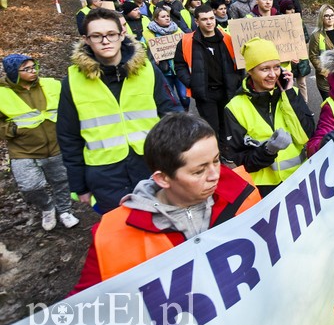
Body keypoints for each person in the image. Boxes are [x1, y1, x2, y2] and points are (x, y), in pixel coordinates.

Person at [70, 113, 260, 293]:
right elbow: (83, 310)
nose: (215, 175)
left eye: (216, 160)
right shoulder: (111, 238)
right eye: (198, 171)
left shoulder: (243, 192)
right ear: (162, 179)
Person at [57, 8, 182, 214]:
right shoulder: (72, 82)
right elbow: (69, 137)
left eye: (111, 34)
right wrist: (79, 186)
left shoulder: (147, 70)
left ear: (122, 34)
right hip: (105, 175)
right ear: (86, 39)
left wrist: (179, 160)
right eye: (97, 36)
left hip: (152, 165)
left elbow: (172, 115)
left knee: (165, 223)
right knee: (124, 233)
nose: (105, 41)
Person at [224, 38, 315, 197]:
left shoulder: (289, 94)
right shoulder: (235, 107)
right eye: (265, 69)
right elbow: (237, 160)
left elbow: (306, 135)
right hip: (264, 190)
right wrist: (268, 151)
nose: (273, 75)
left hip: (298, 178)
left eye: (277, 67)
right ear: (250, 71)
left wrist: (289, 94)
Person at [0, 54, 79, 230]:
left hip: (56, 145)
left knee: (61, 181)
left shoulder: (51, 84)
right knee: (29, 187)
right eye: (26, 69)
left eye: (34, 67)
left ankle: (65, 210)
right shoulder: (2, 94)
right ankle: (47, 207)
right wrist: (12, 130)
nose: (33, 71)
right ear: (14, 73)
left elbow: (69, 106)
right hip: (23, 150)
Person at [174, 4, 240, 145]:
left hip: (226, 90)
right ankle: (215, 154)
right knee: (211, 128)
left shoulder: (227, 38)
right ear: (197, 22)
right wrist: (191, 82)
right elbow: (179, 65)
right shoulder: (187, 41)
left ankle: (226, 152)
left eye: (211, 18)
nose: (209, 22)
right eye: (204, 19)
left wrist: (237, 80)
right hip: (204, 93)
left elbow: (239, 63)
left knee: (226, 125)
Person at [143, 6, 191, 112]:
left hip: (178, 69)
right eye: (163, 16)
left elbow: (187, 45)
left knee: (184, 96)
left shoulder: (177, 30)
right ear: (156, 19)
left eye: (168, 16)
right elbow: (142, 50)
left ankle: (186, 113)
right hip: (162, 71)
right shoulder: (147, 33)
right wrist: (152, 58)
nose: (167, 18)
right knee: (169, 98)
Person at [279, 0, 311, 102]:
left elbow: (306, 37)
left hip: (300, 58)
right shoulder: (278, 23)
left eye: (293, 9)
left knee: (302, 84)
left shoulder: (299, 21)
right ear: (284, 10)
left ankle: (304, 105)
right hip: (287, 60)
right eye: (289, 10)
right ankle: (291, 105)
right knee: (289, 84)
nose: (292, 12)